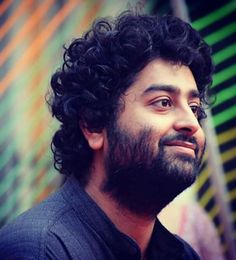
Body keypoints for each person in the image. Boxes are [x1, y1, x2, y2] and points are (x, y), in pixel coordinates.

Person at [0, 10, 213, 259]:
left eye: (195, 108)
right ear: (93, 124)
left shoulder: (183, 254)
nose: (191, 123)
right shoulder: (38, 249)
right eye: (164, 102)